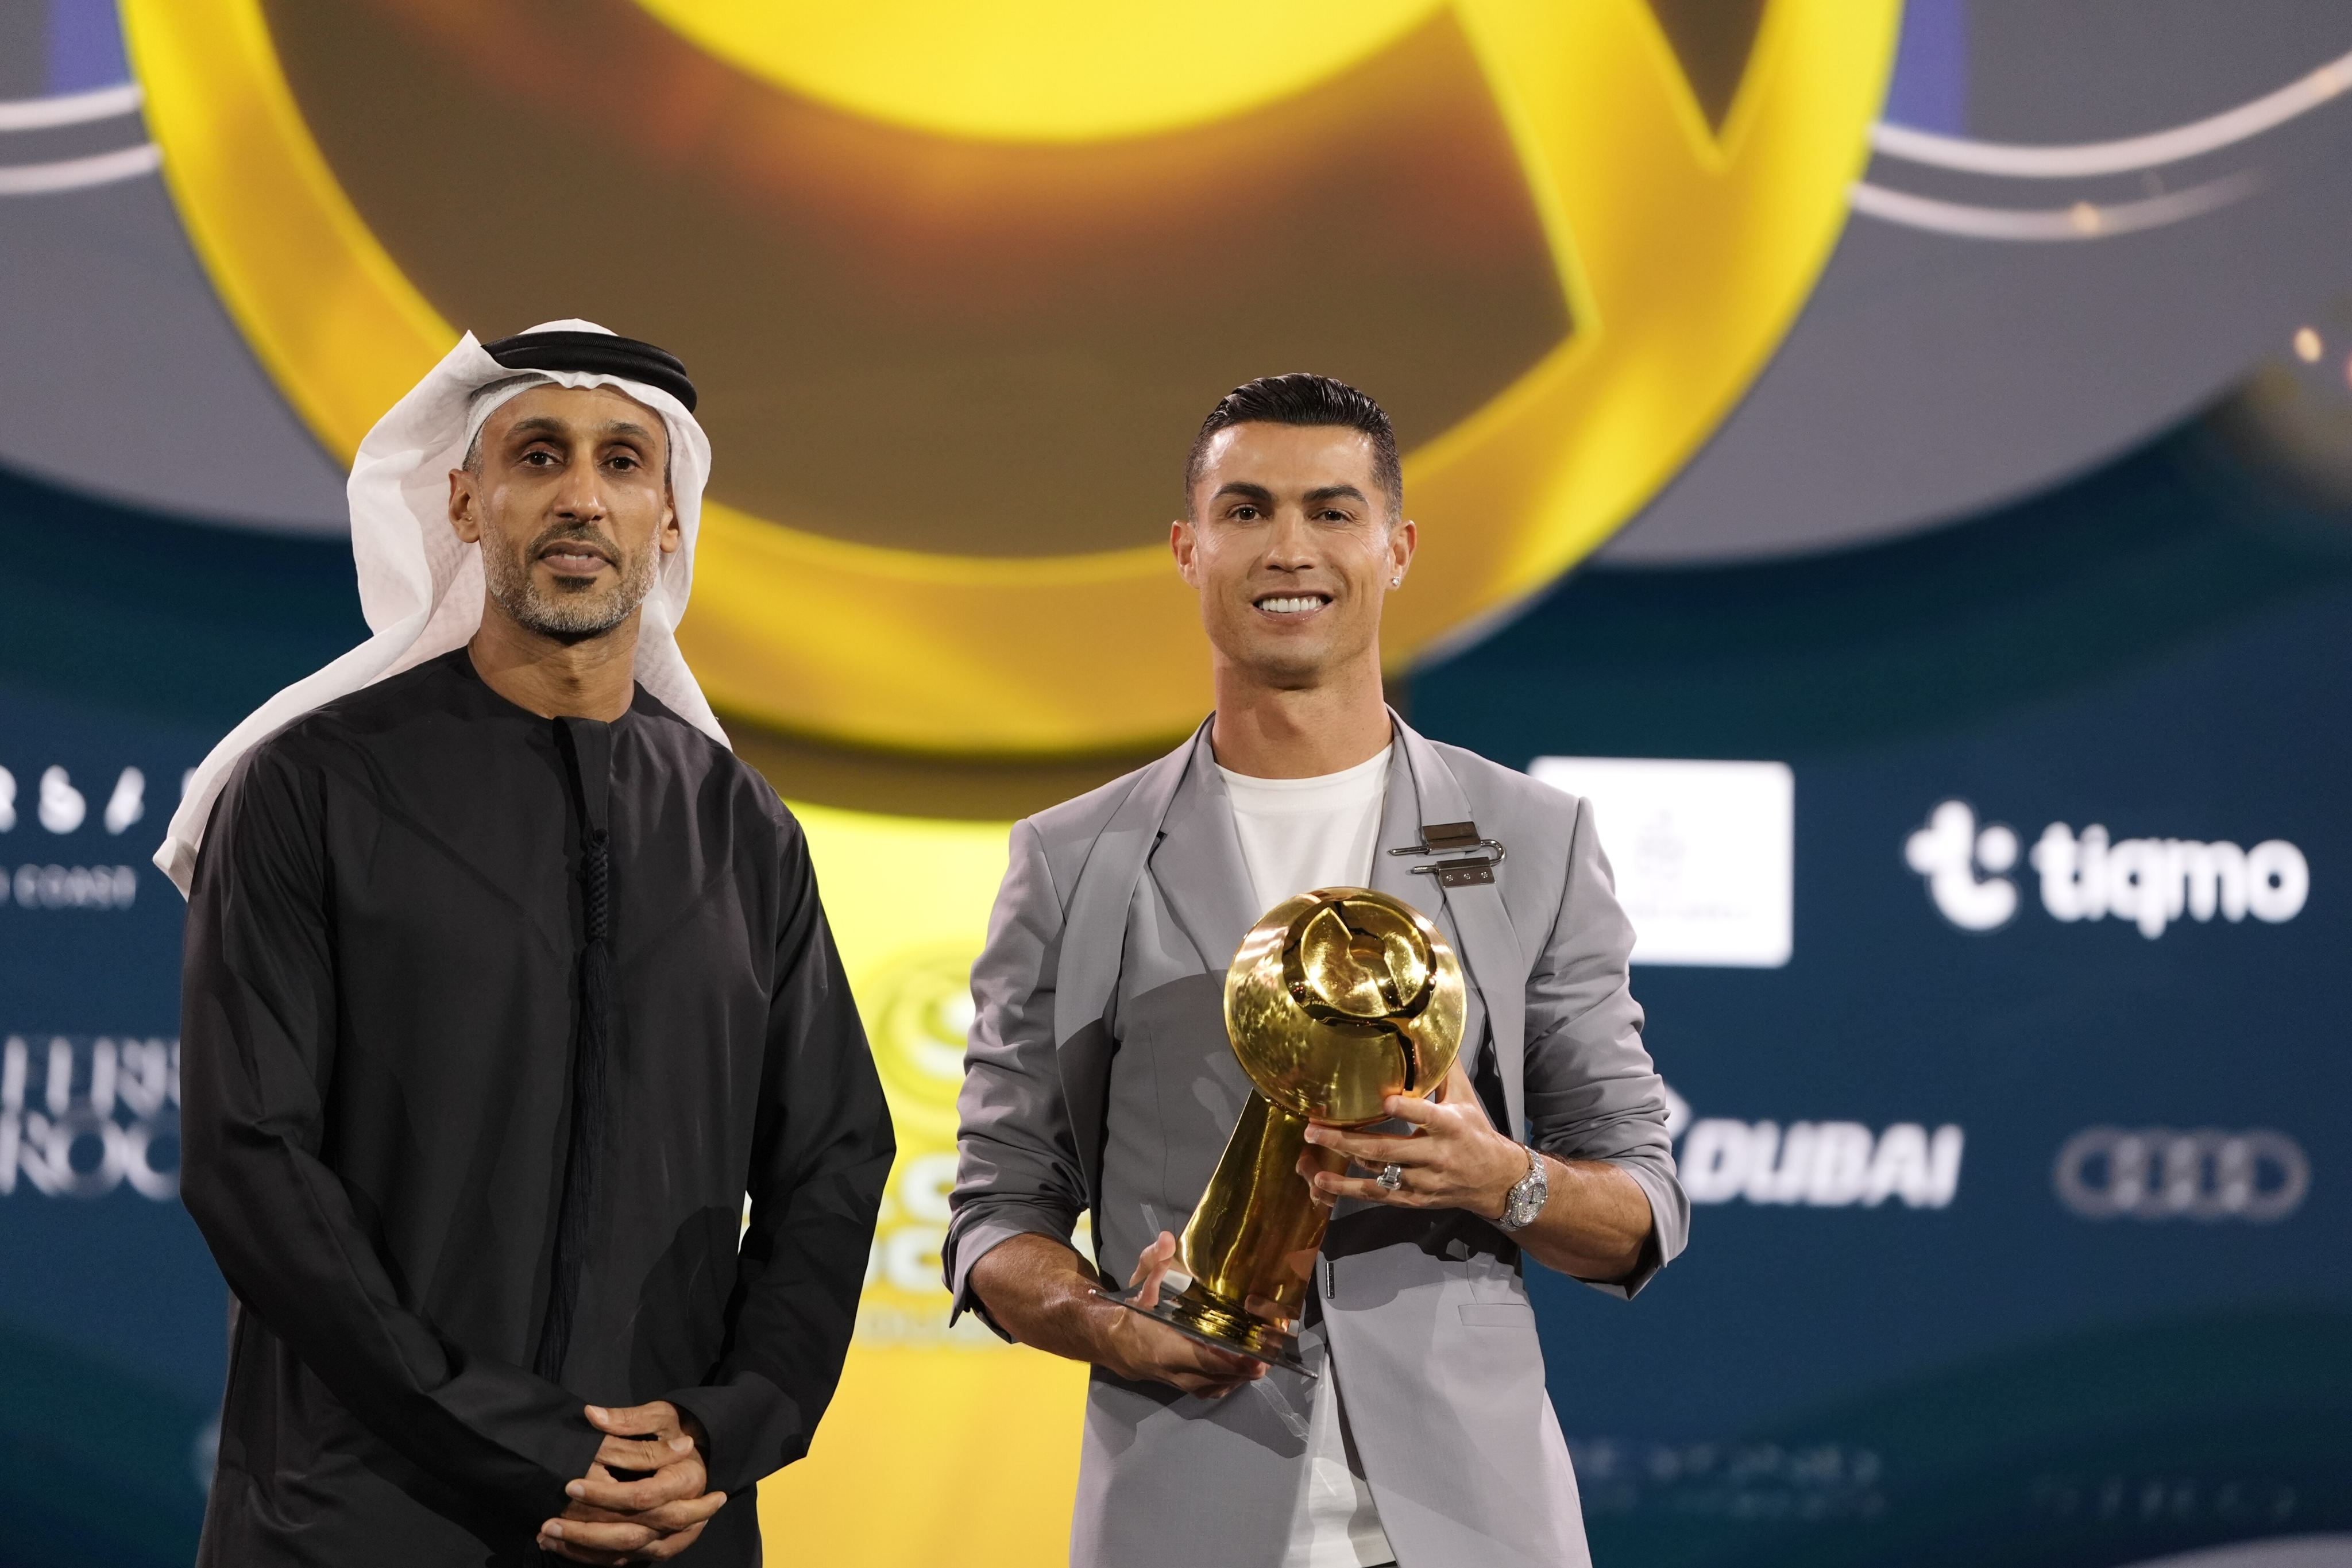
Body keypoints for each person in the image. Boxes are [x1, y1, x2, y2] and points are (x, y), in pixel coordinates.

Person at [164, 321, 894, 1566]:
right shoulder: (309, 789)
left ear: (670, 518)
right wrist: (516, 1430)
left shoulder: (739, 827)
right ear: (462, 501)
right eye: (537, 456)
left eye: (623, 463)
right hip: (364, 1511)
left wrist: (726, 1432)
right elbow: (251, 1158)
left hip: (667, 1518)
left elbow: (832, 1156)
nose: (579, 498)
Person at [946, 374, 1687, 1567]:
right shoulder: (1072, 857)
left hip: (1470, 1522)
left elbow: (1638, 1209)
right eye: (1245, 511)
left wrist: (1501, 1179)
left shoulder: (1528, 838)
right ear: (1186, 550)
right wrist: (1105, 1324)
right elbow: (994, 1214)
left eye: (1331, 512)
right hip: (1182, 1511)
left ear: (1396, 550)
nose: (1288, 548)